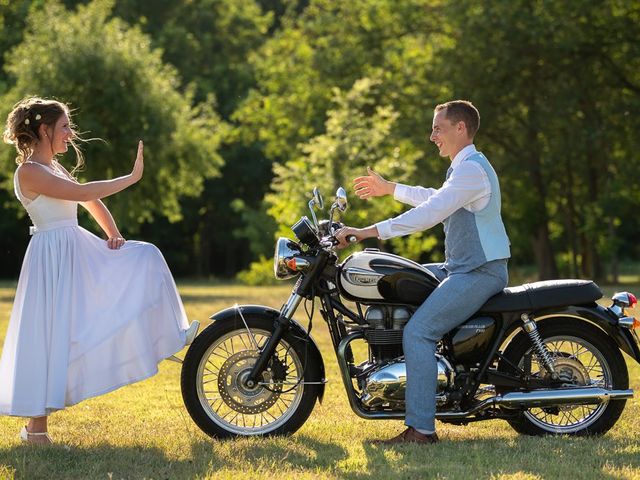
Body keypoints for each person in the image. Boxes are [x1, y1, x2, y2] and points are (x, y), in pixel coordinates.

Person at [0, 97, 199, 444]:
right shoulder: (29, 171)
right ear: (44, 130)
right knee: (48, 335)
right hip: (52, 256)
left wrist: (113, 233)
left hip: (74, 248)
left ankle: (170, 333)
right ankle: (36, 431)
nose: (70, 133)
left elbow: (89, 200)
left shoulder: (53, 168)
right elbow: (80, 192)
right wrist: (131, 177)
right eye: (64, 127)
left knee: (146, 256)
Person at [335, 100, 510, 444]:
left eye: (438, 128)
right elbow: (436, 198)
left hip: (478, 272)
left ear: (460, 128)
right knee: (394, 284)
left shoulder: (471, 170)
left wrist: (369, 231)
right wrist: (391, 189)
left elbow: (431, 213)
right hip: (460, 267)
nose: (432, 136)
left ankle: (422, 430)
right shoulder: (464, 168)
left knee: (418, 333)